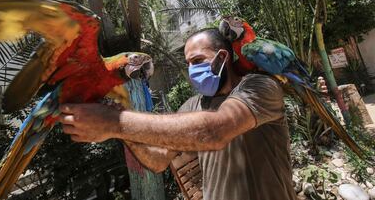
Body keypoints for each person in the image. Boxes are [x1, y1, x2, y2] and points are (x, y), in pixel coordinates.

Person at [59, 28, 297, 200]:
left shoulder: (260, 87)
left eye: (198, 60)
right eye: (189, 64)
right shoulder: (192, 106)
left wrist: (115, 122)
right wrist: (122, 130)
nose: (192, 70)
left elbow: (215, 131)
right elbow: (158, 160)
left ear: (223, 57)